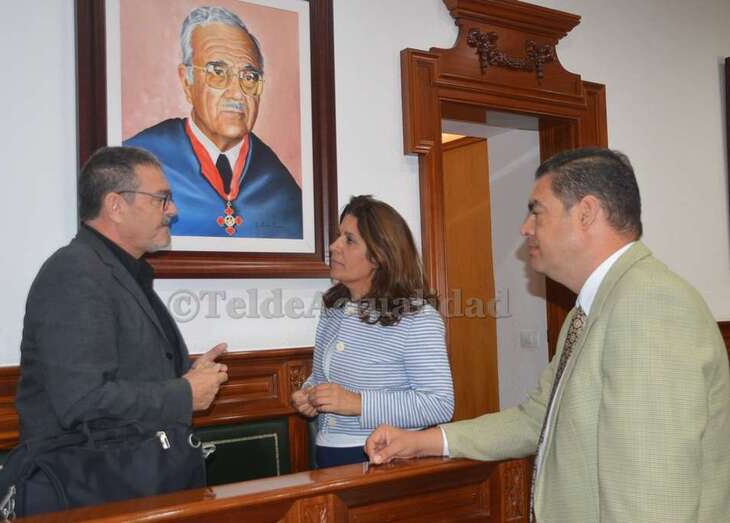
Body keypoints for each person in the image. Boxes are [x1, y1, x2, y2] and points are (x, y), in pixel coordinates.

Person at [365, 148, 730, 522]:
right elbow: (537, 417)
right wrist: (420, 441)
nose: (525, 227)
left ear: (586, 213)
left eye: (536, 210)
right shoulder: (592, 309)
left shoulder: (647, 305)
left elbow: (652, 499)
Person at [1, 146, 229, 516]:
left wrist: (188, 377)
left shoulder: (119, 273)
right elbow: (81, 400)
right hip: (87, 491)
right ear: (115, 205)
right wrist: (183, 393)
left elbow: (126, 374)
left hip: (125, 486)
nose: (172, 211)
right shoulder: (74, 273)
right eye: (162, 199)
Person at [291, 195, 454, 468]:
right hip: (328, 455)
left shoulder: (418, 318)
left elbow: (439, 404)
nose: (334, 246)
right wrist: (308, 395)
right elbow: (321, 377)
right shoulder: (334, 310)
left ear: (379, 255)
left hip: (386, 459)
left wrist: (358, 403)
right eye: (338, 236)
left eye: (349, 239)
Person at [125, 6, 302, 239]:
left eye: (249, 77)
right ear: (187, 81)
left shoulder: (279, 185)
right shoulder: (138, 158)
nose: (237, 94)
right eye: (217, 72)